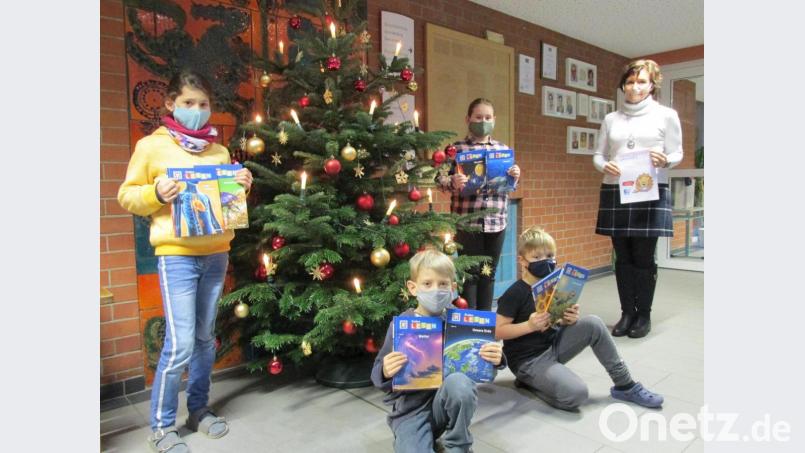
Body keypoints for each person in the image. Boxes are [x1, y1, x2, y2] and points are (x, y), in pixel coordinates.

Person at [118, 70, 253, 453]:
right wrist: (156, 193)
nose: (197, 110)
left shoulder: (218, 151)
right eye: (188, 103)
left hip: (216, 253)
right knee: (179, 345)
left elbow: (227, 207)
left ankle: (198, 409)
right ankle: (162, 427)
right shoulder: (151, 147)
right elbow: (127, 195)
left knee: (205, 338)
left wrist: (241, 188)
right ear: (170, 104)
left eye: (203, 104)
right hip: (176, 256)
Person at [495, 227, 663, 411]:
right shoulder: (514, 293)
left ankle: (625, 385)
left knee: (593, 323)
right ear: (522, 261)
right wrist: (529, 326)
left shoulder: (554, 286)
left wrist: (566, 320)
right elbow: (498, 331)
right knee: (576, 394)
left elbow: (554, 322)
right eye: (537, 257)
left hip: (552, 346)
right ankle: (530, 383)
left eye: (549, 256)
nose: (545, 261)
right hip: (528, 361)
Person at [371, 249, 506, 453]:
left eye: (443, 284)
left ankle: (458, 445)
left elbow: (480, 365)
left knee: (459, 383)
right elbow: (377, 372)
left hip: (444, 406)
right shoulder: (402, 326)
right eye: (427, 283)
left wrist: (496, 358)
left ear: (453, 288)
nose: (436, 290)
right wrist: (385, 371)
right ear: (413, 288)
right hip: (410, 412)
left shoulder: (462, 322)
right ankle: (417, 438)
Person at [593, 59, 683, 338]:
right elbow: (598, 155)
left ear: (652, 85)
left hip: (650, 191)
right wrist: (604, 165)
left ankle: (643, 314)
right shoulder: (611, 119)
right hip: (616, 190)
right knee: (622, 257)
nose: (635, 87)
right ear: (623, 85)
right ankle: (626, 313)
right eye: (630, 82)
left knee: (643, 258)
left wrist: (666, 160)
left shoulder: (666, 115)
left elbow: (677, 153)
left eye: (641, 81)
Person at [437, 98, 521, 311]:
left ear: (494, 120)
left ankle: (485, 321)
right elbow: (439, 179)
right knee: (470, 274)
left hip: (496, 221)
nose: (483, 121)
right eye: (478, 117)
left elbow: (509, 185)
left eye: (488, 117)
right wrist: (452, 181)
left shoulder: (503, 149)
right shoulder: (456, 149)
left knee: (488, 273)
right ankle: (469, 322)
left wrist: (515, 175)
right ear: (468, 119)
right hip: (467, 222)